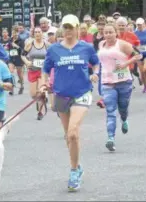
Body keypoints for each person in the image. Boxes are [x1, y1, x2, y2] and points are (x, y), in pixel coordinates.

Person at [41, 14, 99, 192]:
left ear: (77, 29)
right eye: (65, 27)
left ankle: (73, 172)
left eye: (70, 27)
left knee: (73, 132)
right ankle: (77, 165)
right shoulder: (54, 49)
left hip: (82, 93)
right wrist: (44, 83)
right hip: (61, 95)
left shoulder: (86, 48)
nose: (67, 31)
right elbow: (45, 68)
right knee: (68, 136)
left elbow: (95, 63)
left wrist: (95, 73)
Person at [98, 24, 141, 151]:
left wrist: (125, 63)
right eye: (106, 32)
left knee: (123, 107)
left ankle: (124, 119)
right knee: (110, 110)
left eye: (111, 32)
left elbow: (138, 56)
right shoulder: (101, 45)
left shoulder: (122, 44)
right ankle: (110, 138)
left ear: (116, 33)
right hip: (107, 82)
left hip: (123, 81)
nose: (108, 35)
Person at [21, 27, 49, 120]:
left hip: (42, 71)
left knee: (41, 91)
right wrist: (27, 62)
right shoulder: (30, 44)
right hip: (33, 70)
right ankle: (39, 101)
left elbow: (51, 56)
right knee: (33, 94)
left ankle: (40, 111)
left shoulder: (47, 44)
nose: (37, 34)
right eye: (35, 32)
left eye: (39, 32)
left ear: (42, 33)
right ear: (34, 34)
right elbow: (22, 55)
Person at [134, 18, 146, 93]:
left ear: (144, 24)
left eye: (140, 24)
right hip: (139, 54)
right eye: (138, 24)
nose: (139, 26)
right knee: (142, 72)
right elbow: (133, 44)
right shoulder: (135, 33)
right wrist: (136, 48)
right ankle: (145, 86)